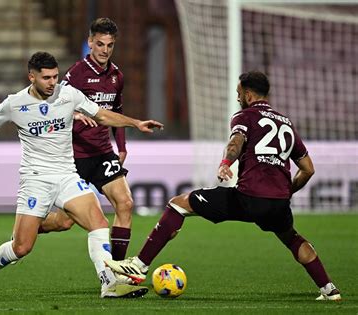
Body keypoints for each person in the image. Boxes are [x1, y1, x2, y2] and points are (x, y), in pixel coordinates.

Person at [0, 51, 163, 298]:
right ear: (31, 77)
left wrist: (135, 123)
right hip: (35, 178)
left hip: (67, 175)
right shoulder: (15, 103)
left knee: (98, 222)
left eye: (55, 76)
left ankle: (108, 283)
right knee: (22, 247)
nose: (53, 83)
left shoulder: (68, 94)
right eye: (46, 78)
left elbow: (102, 114)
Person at [105, 71, 341, 301]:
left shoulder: (245, 116)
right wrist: (287, 191)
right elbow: (308, 168)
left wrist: (226, 163)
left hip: (249, 197)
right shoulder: (286, 123)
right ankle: (329, 289)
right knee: (292, 238)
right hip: (279, 202)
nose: (238, 98)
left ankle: (139, 265)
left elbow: (236, 142)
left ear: (248, 95)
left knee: (179, 205)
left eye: (239, 93)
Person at [37, 18, 134, 262]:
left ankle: (118, 270)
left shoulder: (116, 76)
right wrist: (77, 114)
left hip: (102, 153)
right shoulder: (76, 74)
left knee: (125, 203)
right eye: (100, 44)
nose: (104, 50)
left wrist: (121, 147)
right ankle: (32, 226)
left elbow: (117, 112)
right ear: (90, 42)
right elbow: (53, 108)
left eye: (110, 45)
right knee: (64, 222)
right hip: (75, 157)